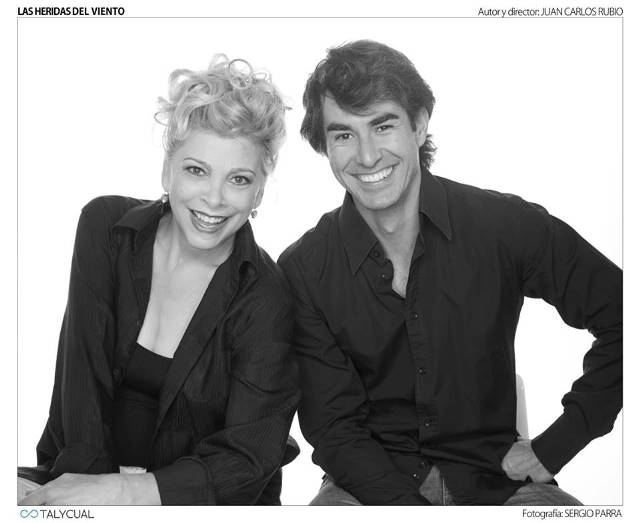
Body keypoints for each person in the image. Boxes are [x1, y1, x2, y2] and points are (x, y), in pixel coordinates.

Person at [278, 40, 622, 505]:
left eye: (383, 126)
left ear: (419, 125)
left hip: (499, 483)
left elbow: (624, 314)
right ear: (325, 146)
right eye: (343, 135)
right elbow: (336, 431)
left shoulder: (503, 226)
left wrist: (560, 442)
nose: (367, 155)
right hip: (367, 489)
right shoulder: (303, 269)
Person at [18, 54, 299, 505]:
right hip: (81, 480)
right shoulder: (106, 228)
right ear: (168, 169)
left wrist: (122, 493)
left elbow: (247, 458)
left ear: (259, 193)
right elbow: (81, 385)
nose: (214, 198)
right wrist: (75, 494)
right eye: (196, 170)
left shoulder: (267, 297)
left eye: (238, 179)